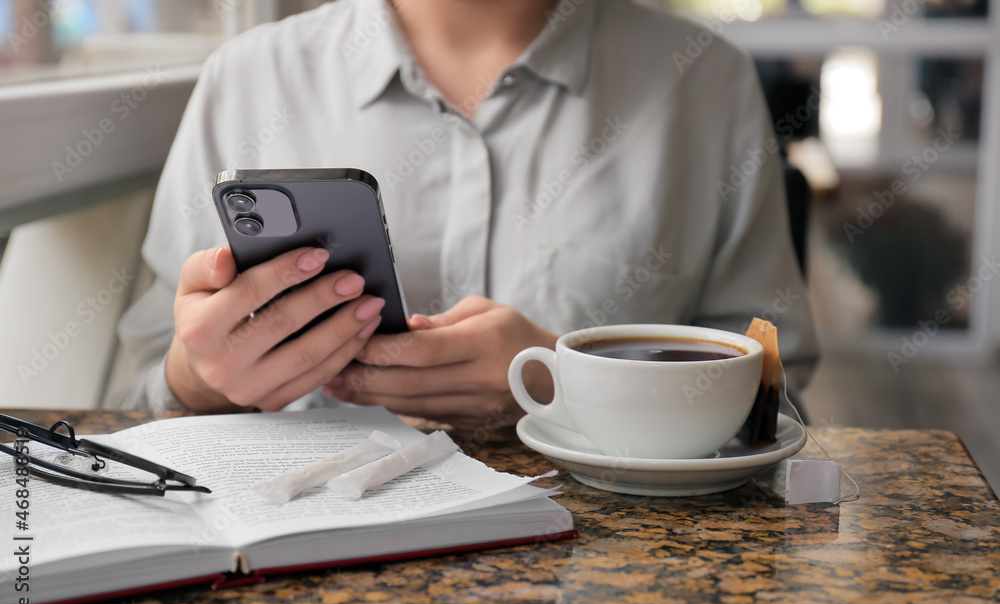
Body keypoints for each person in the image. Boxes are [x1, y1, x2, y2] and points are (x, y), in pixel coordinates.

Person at [109, 0, 819, 431]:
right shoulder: (249, 77)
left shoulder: (703, 84)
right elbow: (133, 400)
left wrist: (566, 387)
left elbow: (774, 411)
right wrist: (201, 378)